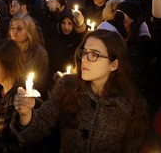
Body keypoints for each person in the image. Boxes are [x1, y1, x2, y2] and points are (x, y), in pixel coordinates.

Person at [12, 29, 149, 152]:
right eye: (84, 52)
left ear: (113, 64)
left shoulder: (130, 106)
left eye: (94, 55)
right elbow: (36, 129)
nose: (84, 59)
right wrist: (25, 114)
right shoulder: (67, 86)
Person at [8, 14, 49, 99]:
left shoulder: (39, 53)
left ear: (29, 31)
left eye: (19, 29)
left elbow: (40, 84)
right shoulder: (7, 48)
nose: (14, 31)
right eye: (12, 28)